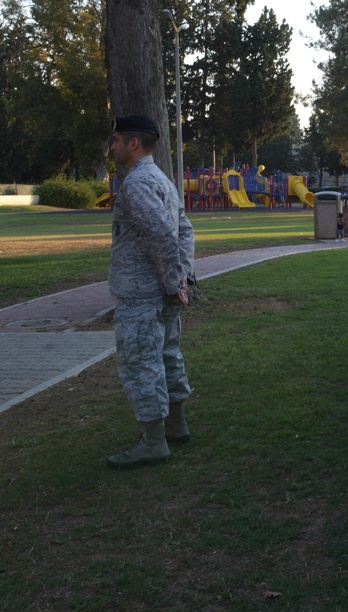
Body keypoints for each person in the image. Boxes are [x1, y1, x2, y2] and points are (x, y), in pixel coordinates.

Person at [106, 115, 195, 469]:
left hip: (143, 294)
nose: (111, 146)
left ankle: (154, 441)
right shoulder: (162, 180)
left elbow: (162, 235)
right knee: (168, 355)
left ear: (133, 143)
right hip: (165, 290)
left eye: (115, 140)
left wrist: (176, 281)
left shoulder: (136, 183)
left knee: (141, 362)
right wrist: (183, 277)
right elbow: (184, 231)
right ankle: (177, 425)